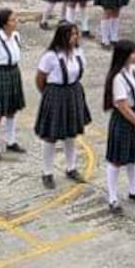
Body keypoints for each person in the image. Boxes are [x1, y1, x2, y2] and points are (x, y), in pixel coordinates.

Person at [34, 23, 92, 189]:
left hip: (73, 92)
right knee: (51, 135)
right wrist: (49, 96)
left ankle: (71, 167)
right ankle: (47, 172)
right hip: (56, 94)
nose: (76, 37)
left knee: (71, 133)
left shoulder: (78, 52)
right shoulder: (50, 56)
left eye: (76, 34)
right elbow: (40, 79)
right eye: (72, 34)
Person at [104, 41, 135, 213]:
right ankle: (113, 198)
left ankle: (133, 190)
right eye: (133, 53)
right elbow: (123, 106)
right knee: (116, 160)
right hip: (125, 119)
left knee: (133, 157)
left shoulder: (134, 71)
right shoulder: (118, 78)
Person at [0, 8, 26, 160]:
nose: (16, 22)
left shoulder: (15, 36)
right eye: (12, 20)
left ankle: (11, 141)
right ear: (4, 23)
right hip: (0, 74)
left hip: (13, 72)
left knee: (12, 110)